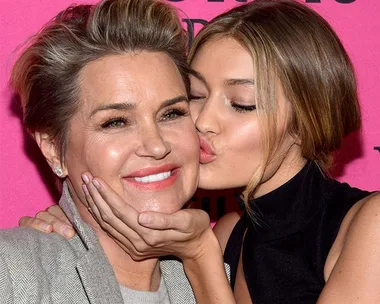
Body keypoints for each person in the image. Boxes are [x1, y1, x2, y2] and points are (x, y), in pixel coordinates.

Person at [21, 0, 380, 303]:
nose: (203, 121)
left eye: (241, 104)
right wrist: (76, 226)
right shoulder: (228, 234)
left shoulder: (370, 226)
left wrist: (200, 256)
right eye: (195, 97)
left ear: (307, 120)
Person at [0, 0, 234, 303]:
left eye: (171, 113)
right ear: (53, 148)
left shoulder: (222, 277)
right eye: (116, 122)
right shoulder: (12, 274)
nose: (157, 145)